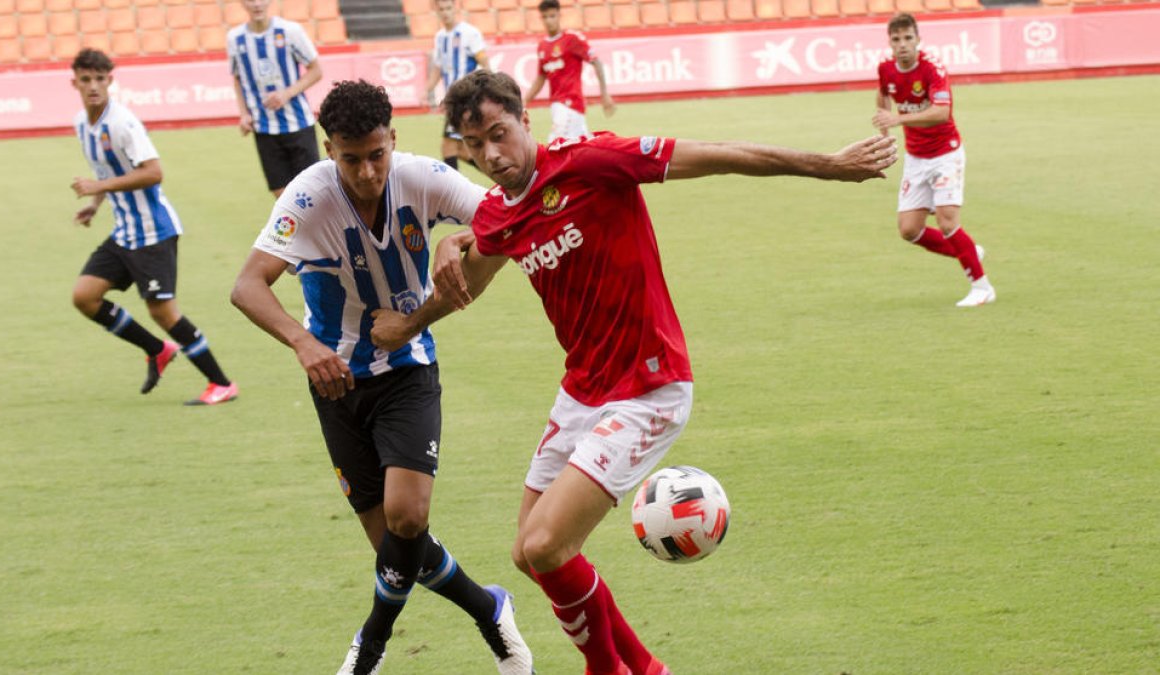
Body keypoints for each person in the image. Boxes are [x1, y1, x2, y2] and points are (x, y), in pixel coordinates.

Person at [368, 70, 897, 675]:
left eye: (499, 133)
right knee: (527, 553)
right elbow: (472, 281)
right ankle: (645, 668)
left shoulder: (591, 161)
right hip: (582, 391)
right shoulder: (496, 214)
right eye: (474, 143)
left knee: (547, 545)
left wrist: (829, 165)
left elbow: (717, 155)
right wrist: (410, 322)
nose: (490, 154)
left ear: (525, 121)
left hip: (649, 387)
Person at [229, 80, 534, 675]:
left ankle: (368, 647)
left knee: (408, 519)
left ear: (393, 138)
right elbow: (246, 285)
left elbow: (509, 214)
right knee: (397, 551)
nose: (368, 172)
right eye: (351, 159)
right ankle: (489, 607)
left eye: (377, 154)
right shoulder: (308, 197)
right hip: (336, 383)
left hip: (407, 369)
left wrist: (461, 237)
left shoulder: (422, 177)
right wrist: (303, 343)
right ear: (329, 151)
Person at [69, 48, 237, 406]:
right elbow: (106, 171)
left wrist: (98, 187)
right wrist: (94, 204)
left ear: (110, 81)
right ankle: (158, 350)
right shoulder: (82, 124)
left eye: (100, 79)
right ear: (75, 84)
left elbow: (153, 172)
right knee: (84, 296)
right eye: (86, 80)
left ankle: (221, 383)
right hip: (125, 231)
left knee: (162, 312)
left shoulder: (122, 123)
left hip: (153, 232)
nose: (93, 86)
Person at [872, 12, 995, 307]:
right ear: (890, 42)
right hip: (916, 157)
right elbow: (883, 95)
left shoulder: (932, 69)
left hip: (945, 154)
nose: (902, 44)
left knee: (947, 222)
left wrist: (898, 119)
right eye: (896, 39)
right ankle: (969, 252)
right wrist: (885, 128)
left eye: (908, 38)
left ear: (918, 39)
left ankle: (982, 288)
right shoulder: (886, 68)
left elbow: (941, 112)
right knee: (909, 230)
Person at [228, 0, 324, 197]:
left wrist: (286, 94)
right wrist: (244, 114)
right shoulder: (235, 38)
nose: (257, 4)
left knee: (312, 191)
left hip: (298, 125)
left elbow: (316, 71)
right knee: (281, 193)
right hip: (264, 128)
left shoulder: (290, 31)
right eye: (250, 0)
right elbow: (238, 78)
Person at [523, 0, 615, 143]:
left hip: (570, 104)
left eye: (552, 16)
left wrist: (604, 94)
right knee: (583, 147)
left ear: (559, 15)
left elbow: (596, 62)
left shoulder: (572, 39)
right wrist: (524, 101)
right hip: (557, 105)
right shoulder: (542, 46)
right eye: (545, 17)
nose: (548, 21)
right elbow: (541, 77)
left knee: (555, 145)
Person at [422, 0, 490, 171]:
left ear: (455, 8)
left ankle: (452, 187)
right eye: (441, 9)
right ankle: (501, 176)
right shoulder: (440, 37)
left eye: (448, 8)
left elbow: (484, 62)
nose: (445, 12)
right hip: (453, 100)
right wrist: (427, 90)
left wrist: (490, 89)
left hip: (466, 99)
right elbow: (438, 67)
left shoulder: (469, 33)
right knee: (459, 150)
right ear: (437, 11)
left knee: (448, 147)